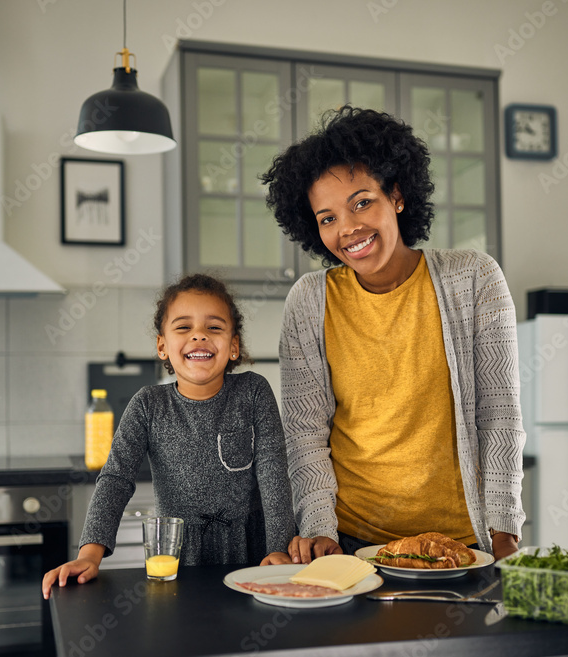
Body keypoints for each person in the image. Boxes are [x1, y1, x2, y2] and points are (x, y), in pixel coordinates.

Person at [262, 106, 526, 565]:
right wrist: (318, 529)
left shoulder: (475, 279)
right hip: (352, 549)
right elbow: (305, 433)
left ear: (398, 196)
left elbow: (499, 416)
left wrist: (504, 538)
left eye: (362, 202)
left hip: (461, 547)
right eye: (327, 218)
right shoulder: (309, 301)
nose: (348, 229)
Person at [42, 274, 295, 599]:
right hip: (176, 563)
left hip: (253, 558)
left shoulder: (254, 392)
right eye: (184, 327)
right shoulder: (147, 405)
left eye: (214, 327)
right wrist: (88, 556)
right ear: (163, 346)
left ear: (234, 346)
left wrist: (279, 551)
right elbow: (115, 479)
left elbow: (274, 474)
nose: (199, 336)